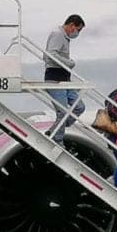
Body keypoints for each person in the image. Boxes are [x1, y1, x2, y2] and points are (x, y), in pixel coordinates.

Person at [43, 15, 86, 144]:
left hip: (65, 79)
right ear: (72, 25)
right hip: (55, 79)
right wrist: (69, 63)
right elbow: (50, 55)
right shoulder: (57, 34)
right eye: (78, 29)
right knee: (62, 112)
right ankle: (57, 140)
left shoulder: (65, 38)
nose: (78, 33)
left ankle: (56, 129)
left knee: (79, 107)